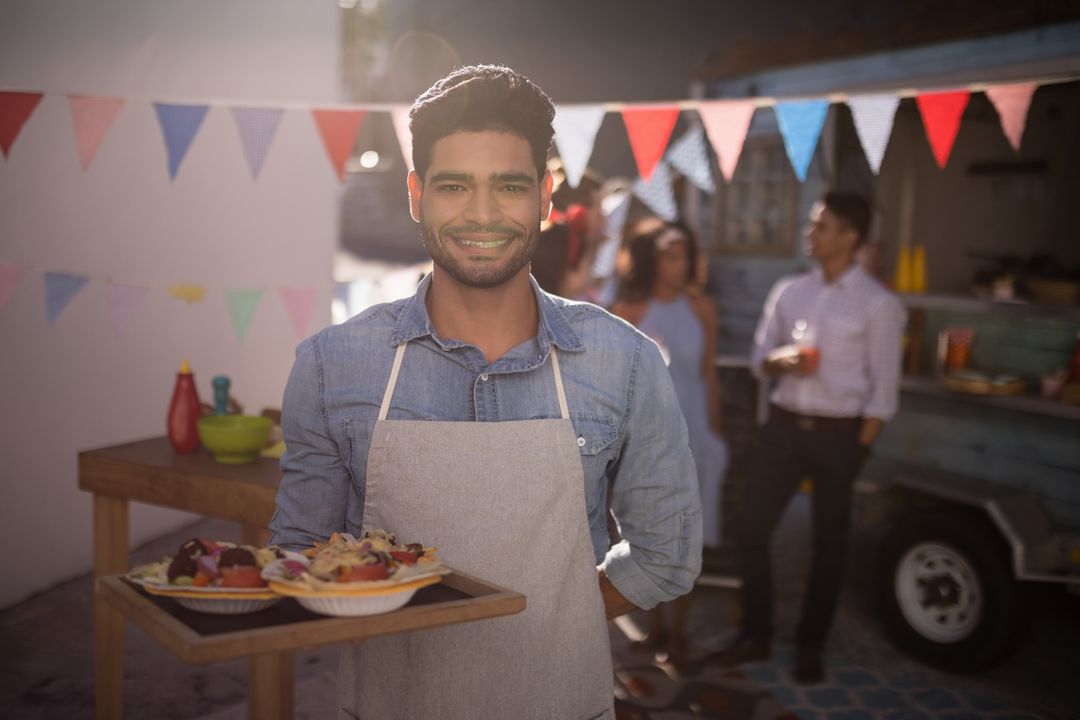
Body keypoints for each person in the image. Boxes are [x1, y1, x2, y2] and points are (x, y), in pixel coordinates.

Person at [268, 65, 702, 720]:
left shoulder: (626, 362)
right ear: (417, 195)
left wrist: (561, 613)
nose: (481, 213)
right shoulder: (333, 366)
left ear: (545, 198)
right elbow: (300, 554)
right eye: (453, 186)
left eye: (508, 186)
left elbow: (666, 555)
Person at [709, 191, 905, 684]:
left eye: (821, 226)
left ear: (850, 236)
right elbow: (760, 361)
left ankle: (810, 644)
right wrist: (784, 361)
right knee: (752, 527)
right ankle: (756, 633)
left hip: (840, 438)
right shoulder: (789, 290)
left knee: (830, 545)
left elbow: (884, 395)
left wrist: (857, 449)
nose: (810, 233)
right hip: (782, 426)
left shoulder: (879, 304)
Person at [610, 218, 728, 666]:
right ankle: (652, 628)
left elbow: (710, 373)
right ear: (651, 259)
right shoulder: (630, 312)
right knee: (645, 532)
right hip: (647, 438)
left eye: (685, 254)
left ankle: (678, 633)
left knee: (689, 535)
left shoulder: (703, 309)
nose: (681, 264)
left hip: (697, 432)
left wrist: (716, 436)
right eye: (670, 254)